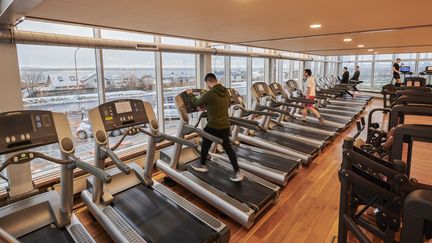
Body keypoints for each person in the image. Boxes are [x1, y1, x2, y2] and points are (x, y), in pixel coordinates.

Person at [186, 73, 243, 182]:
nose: (207, 86)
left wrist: (190, 94)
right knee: (228, 148)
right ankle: (237, 171)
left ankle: (203, 165)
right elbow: (225, 105)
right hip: (225, 125)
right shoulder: (226, 91)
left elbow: (196, 103)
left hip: (213, 126)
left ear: (209, 82)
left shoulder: (210, 93)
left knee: (205, 143)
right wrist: (210, 110)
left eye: (207, 84)